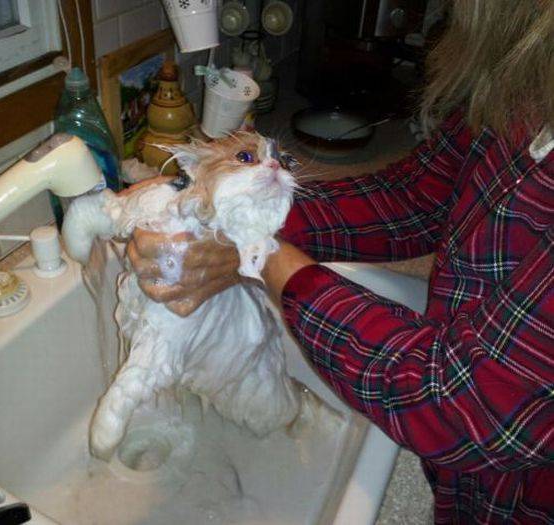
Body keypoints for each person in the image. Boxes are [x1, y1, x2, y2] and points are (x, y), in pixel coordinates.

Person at [125, 1, 553, 522]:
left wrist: (258, 251)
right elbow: (419, 196)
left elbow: (462, 401)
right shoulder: (526, 73)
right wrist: (248, 210)